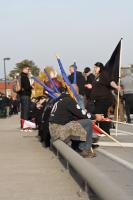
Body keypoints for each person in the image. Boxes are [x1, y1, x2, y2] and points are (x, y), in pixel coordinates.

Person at [49, 86, 103, 158]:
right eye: (76, 92)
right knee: (88, 122)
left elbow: (73, 115)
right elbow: (83, 114)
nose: (77, 95)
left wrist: (86, 115)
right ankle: (84, 150)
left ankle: (80, 146)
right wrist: (96, 117)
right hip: (59, 131)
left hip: (54, 130)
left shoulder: (60, 100)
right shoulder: (69, 100)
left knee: (80, 123)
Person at [89, 62, 120, 134]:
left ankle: (100, 130)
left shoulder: (104, 74)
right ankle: (105, 131)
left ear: (100, 68)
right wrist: (91, 86)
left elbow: (110, 82)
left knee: (98, 114)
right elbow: (97, 86)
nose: (95, 69)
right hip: (98, 100)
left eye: (96, 67)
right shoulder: (96, 76)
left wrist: (116, 86)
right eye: (94, 67)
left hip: (105, 98)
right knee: (103, 115)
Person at [19, 65, 34, 130]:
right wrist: (31, 86)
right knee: (26, 111)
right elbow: (27, 87)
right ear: (24, 69)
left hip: (22, 95)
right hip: (25, 95)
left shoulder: (21, 76)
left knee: (23, 111)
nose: (28, 71)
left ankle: (23, 125)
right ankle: (26, 126)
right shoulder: (24, 77)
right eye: (27, 69)